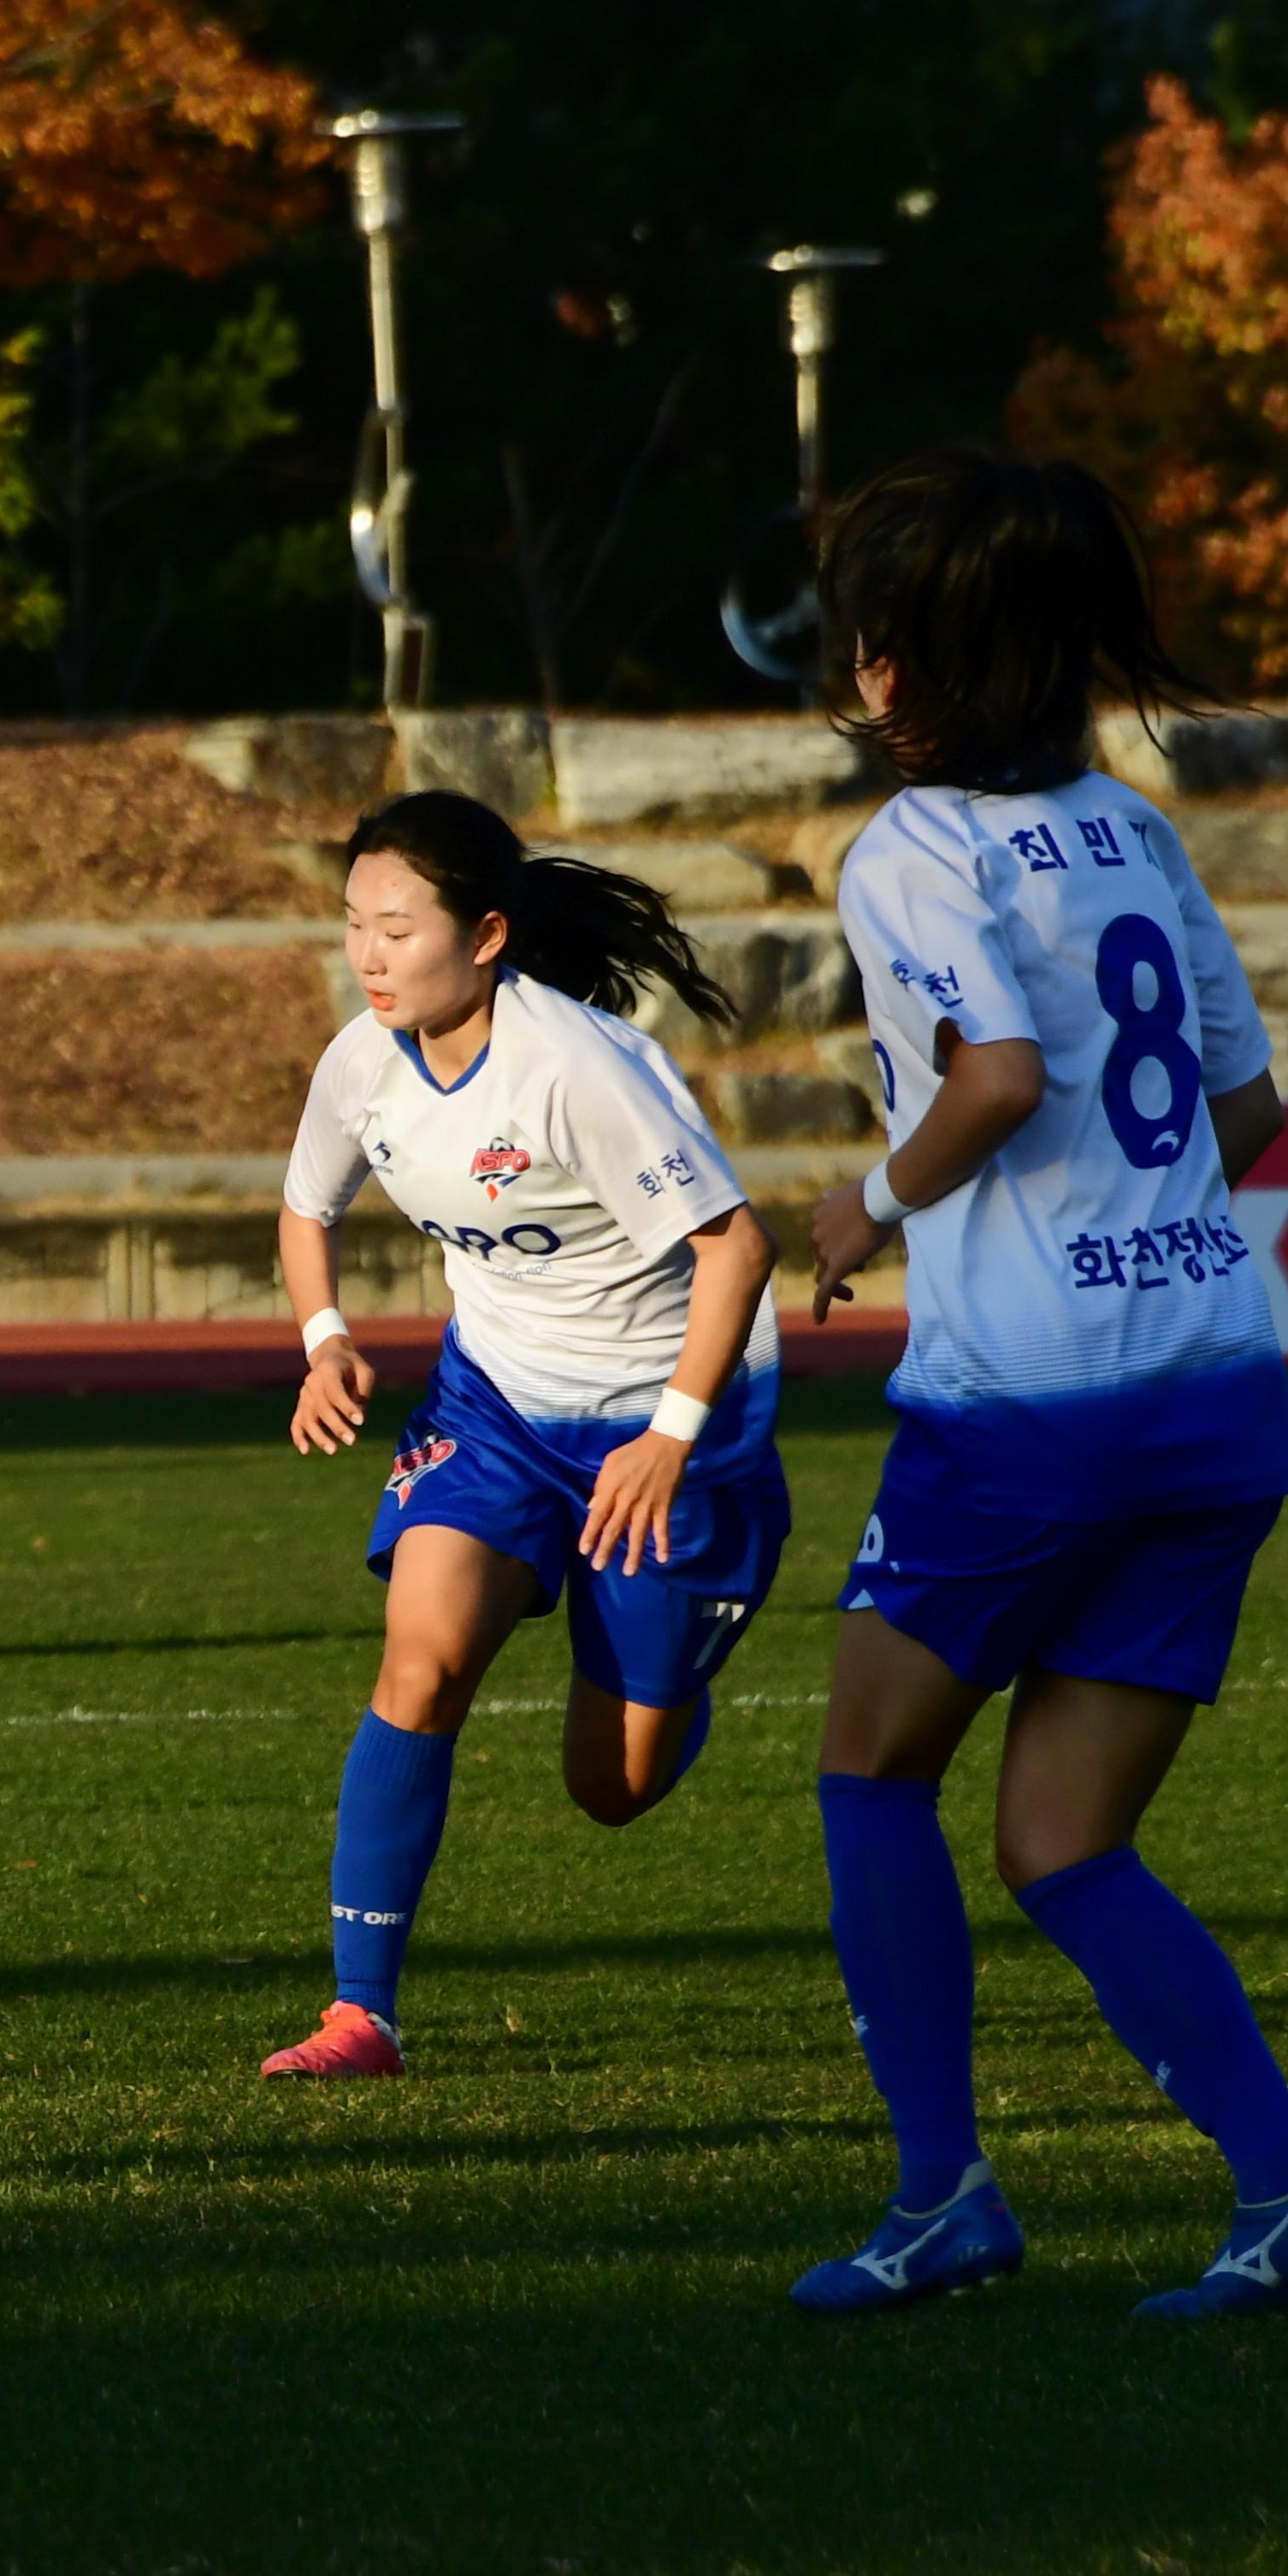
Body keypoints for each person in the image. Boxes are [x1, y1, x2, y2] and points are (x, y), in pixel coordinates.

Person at [794, 447, 1288, 2320]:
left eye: (873, 637)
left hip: (1032, 1402)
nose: (861, 667)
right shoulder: (1131, 824)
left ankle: (941, 2195)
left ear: (912, 662)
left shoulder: (913, 847)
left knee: (870, 1765)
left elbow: (996, 1077)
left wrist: (862, 1206)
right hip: (1214, 1389)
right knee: (1061, 1839)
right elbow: (1251, 1108)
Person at [266, 793, 789, 2080]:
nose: (369, 957)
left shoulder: (579, 1069)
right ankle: (361, 2016)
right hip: (494, 1409)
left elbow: (740, 1250)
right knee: (424, 1656)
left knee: (611, 1787)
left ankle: (681, 1649)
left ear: (488, 934)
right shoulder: (363, 1061)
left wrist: (669, 1436)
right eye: (354, 927)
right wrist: (325, 1337)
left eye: (397, 928)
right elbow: (302, 1206)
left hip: (669, 1429)